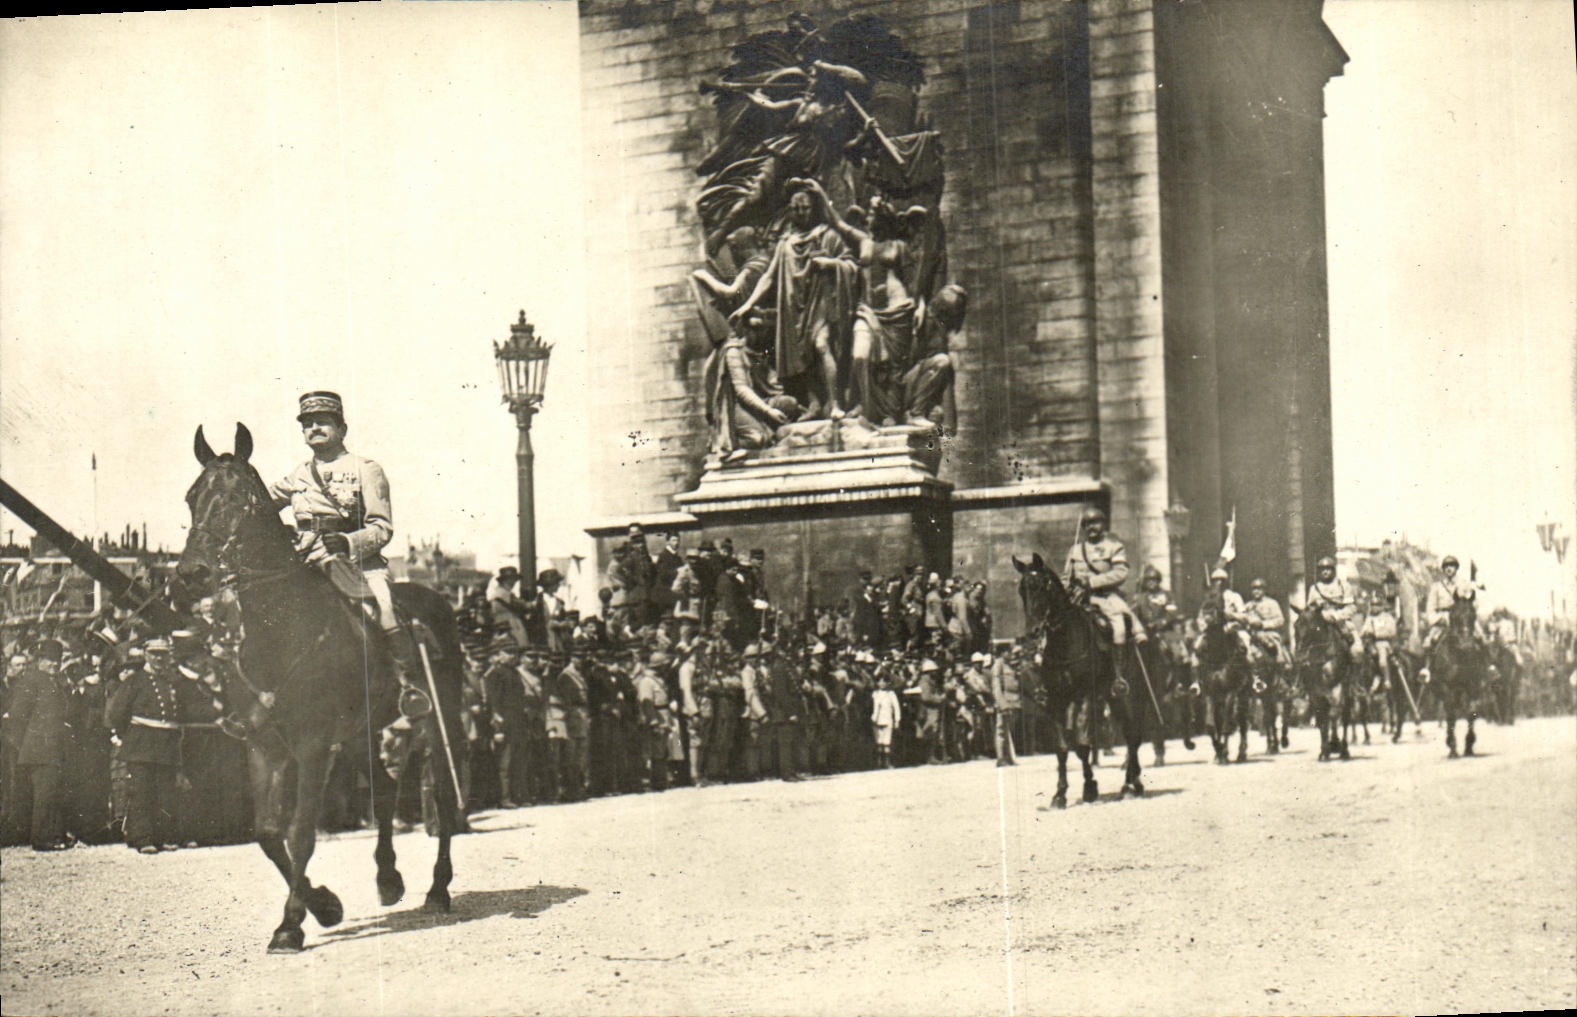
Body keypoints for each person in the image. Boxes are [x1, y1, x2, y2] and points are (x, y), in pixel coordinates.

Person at [270, 391, 415, 687]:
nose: (315, 429)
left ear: (342, 430)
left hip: (357, 566)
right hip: (306, 564)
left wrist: (349, 542)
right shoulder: (298, 474)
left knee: (384, 611)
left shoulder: (366, 469)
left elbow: (382, 528)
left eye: (323, 422)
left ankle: (404, 685)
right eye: (308, 424)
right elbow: (261, 502)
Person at [731, 181, 859, 420]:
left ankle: (835, 402)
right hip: (793, 306)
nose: (801, 213)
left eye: (806, 208)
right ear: (790, 210)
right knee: (801, 355)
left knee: (821, 345)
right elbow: (769, 276)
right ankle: (813, 403)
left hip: (820, 302)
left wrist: (830, 264)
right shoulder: (785, 243)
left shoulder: (828, 236)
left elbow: (852, 265)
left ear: (814, 208)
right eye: (796, 209)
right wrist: (747, 305)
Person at [106, 637, 185, 854]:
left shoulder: (171, 681)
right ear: (146, 655)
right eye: (154, 654)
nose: (159, 658)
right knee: (141, 791)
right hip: (141, 742)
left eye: (163, 654)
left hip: (166, 743)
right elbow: (117, 713)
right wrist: (129, 736)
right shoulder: (135, 681)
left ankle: (164, 836)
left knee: (165, 790)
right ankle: (142, 838)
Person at [1063, 507, 1146, 681]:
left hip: (1105, 596)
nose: (1091, 527)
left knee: (1118, 627)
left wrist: (1092, 582)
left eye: (1095, 523)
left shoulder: (1113, 547)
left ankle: (1119, 675)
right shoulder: (1075, 550)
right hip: (1078, 598)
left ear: (1103, 524)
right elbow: (1066, 576)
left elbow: (1120, 573)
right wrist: (1066, 589)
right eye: (1087, 524)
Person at [4, 640, 72, 850]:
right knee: (44, 794)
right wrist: (25, 743)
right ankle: (42, 839)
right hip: (39, 748)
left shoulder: (54, 682)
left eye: (57, 660)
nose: (54, 664)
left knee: (53, 792)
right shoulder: (31, 681)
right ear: (40, 661)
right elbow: (17, 716)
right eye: (49, 660)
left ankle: (55, 835)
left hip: (54, 747)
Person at [1305, 555, 1363, 660]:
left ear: (1333, 570)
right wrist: (1321, 614)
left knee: (1357, 651)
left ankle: (1356, 675)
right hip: (1320, 624)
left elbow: (1352, 607)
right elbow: (1310, 610)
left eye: (1328, 569)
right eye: (1322, 569)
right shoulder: (1314, 589)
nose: (1325, 572)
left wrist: (1337, 615)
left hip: (1341, 623)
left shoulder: (1343, 586)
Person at [1242, 578, 1291, 669]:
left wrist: (1262, 624)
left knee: (1278, 655)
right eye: (1254, 589)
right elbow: (1243, 619)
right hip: (1253, 637)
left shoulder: (1272, 603)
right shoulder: (1248, 605)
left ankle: (1284, 668)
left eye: (1259, 589)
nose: (1256, 592)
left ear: (1264, 590)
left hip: (1269, 635)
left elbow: (1280, 620)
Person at [987, 651, 1020, 766]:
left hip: (1013, 702)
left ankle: (1009, 756)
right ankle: (1001, 757)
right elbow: (996, 687)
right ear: (1003, 652)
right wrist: (1002, 704)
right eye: (1008, 651)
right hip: (1004, 702)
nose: (1011, 654)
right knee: (1001, 729)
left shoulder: (1010, 665)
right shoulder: (998, 665)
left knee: (1009, 730)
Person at [870, 674, 901, 769]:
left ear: (888, 683)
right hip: (876, 719)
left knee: (887, 741)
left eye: (884, 681)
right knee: (879, 741)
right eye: (880, 681)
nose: (882, 683)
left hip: (887, 719)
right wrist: (872, 718)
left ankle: (887, 762)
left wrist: (897, 720)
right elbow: (872, 707)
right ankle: (879, 762)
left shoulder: (891, 694)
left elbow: (896, 707)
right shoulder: (875, 694)